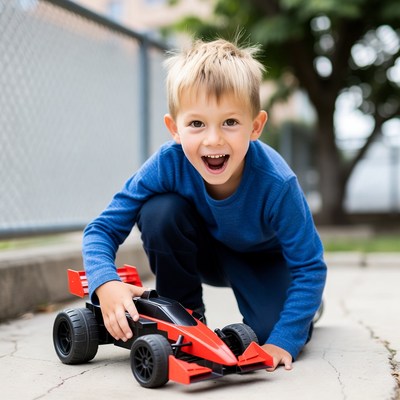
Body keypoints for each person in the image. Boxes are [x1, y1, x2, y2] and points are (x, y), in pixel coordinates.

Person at [82, 38, 327, 372]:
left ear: (255, 127)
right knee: (159, 210)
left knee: (270, 333)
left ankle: (305, 307)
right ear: (175, 129)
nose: (213, 139)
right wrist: (105, 283)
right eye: (197, 124)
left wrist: (284, 339)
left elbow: (310, 267)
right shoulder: (168, 163)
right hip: (206, 253)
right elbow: (101, 229)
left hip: (263, 263)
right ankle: (186, 318)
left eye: (230, 122)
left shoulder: (277, 183)